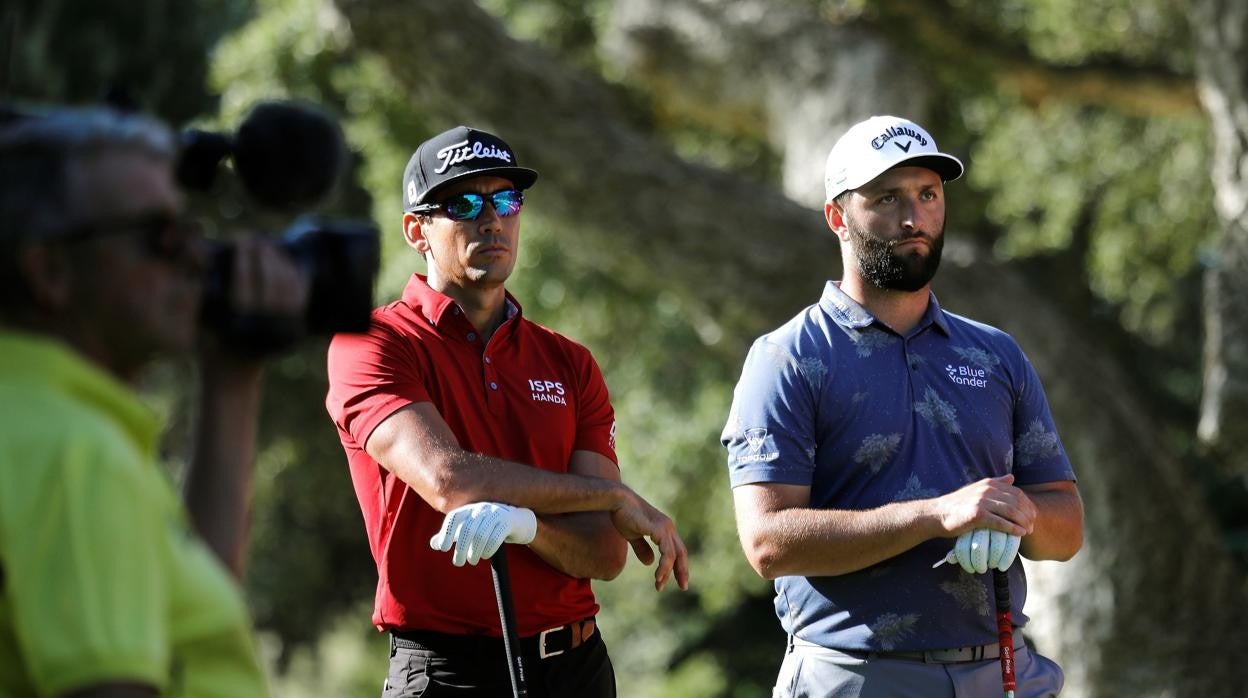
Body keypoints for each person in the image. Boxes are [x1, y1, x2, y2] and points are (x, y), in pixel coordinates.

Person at [721, 115, 1084, 697]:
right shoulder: (787, 357)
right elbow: (768, 543)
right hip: (856, 674)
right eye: (886, 198)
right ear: (837, 217)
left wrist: (1024, 515)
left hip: (1003, 669)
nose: (913, 218)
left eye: (927, 195)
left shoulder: (995, 354)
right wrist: (936, 516)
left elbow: (1066, 529)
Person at [325, 125, 690, 697]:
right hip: (447, 673)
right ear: (416, 230)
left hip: (576, 667)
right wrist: (614, 497)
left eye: (506, 200)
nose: (491, 219)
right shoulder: (374, 342)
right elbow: (449, 480)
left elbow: (603, 552)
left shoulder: (570, 362)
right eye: (464, 203)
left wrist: (526, 528)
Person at [0, 107, 306, 696]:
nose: (197, 257)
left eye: (190, 231)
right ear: (50, 270)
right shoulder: (76, 455)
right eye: (161, 237)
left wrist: (232, 381)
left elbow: (183, 623)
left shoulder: (36, 423)